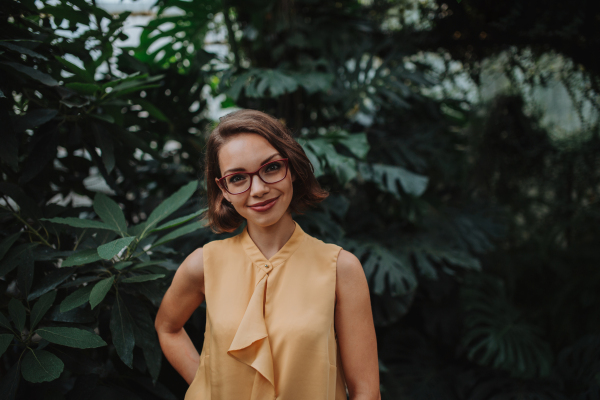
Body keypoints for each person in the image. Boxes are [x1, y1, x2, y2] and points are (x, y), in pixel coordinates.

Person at [154, 109, 380, 400]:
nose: (259, 189)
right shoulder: (203, 264)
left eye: (271, 168)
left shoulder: (340, 268)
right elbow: (167, 327)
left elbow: (366, 392)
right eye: (237, 178)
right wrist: (204, 385)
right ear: (222, 188)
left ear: (293, 168)